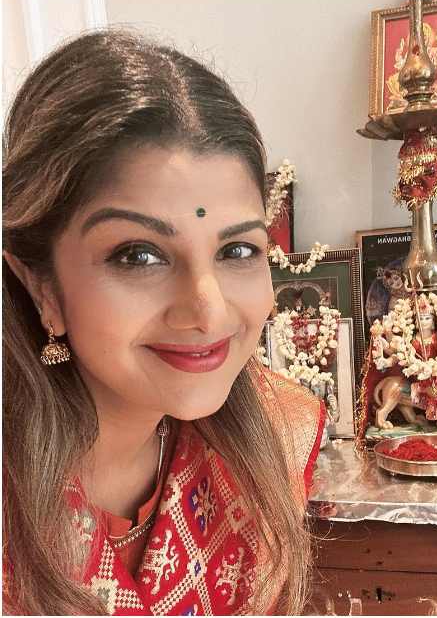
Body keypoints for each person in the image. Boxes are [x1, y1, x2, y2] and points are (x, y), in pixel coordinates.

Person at [2, 30, 323, 614]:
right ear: (40, 283)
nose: (209, 311)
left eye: (238, 251)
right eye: (138, 255)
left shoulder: (276, 433)